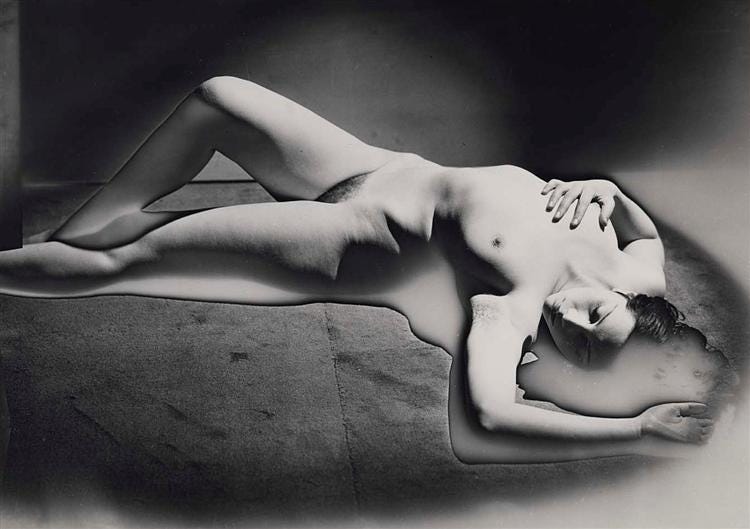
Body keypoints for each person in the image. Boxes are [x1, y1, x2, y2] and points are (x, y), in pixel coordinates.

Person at [1, 76, 730, 464]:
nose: (569, 316)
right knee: (217, 99)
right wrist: (609, 193)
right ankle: (64, 240)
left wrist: (634, 432)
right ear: (634, 302)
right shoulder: (640, 275)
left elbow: (483, 427)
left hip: (345, 239)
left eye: (575, 342)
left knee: (115, 261)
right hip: (379, 169)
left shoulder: (507, 308)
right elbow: (644, 233)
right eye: (596, 314)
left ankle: (52, 256)